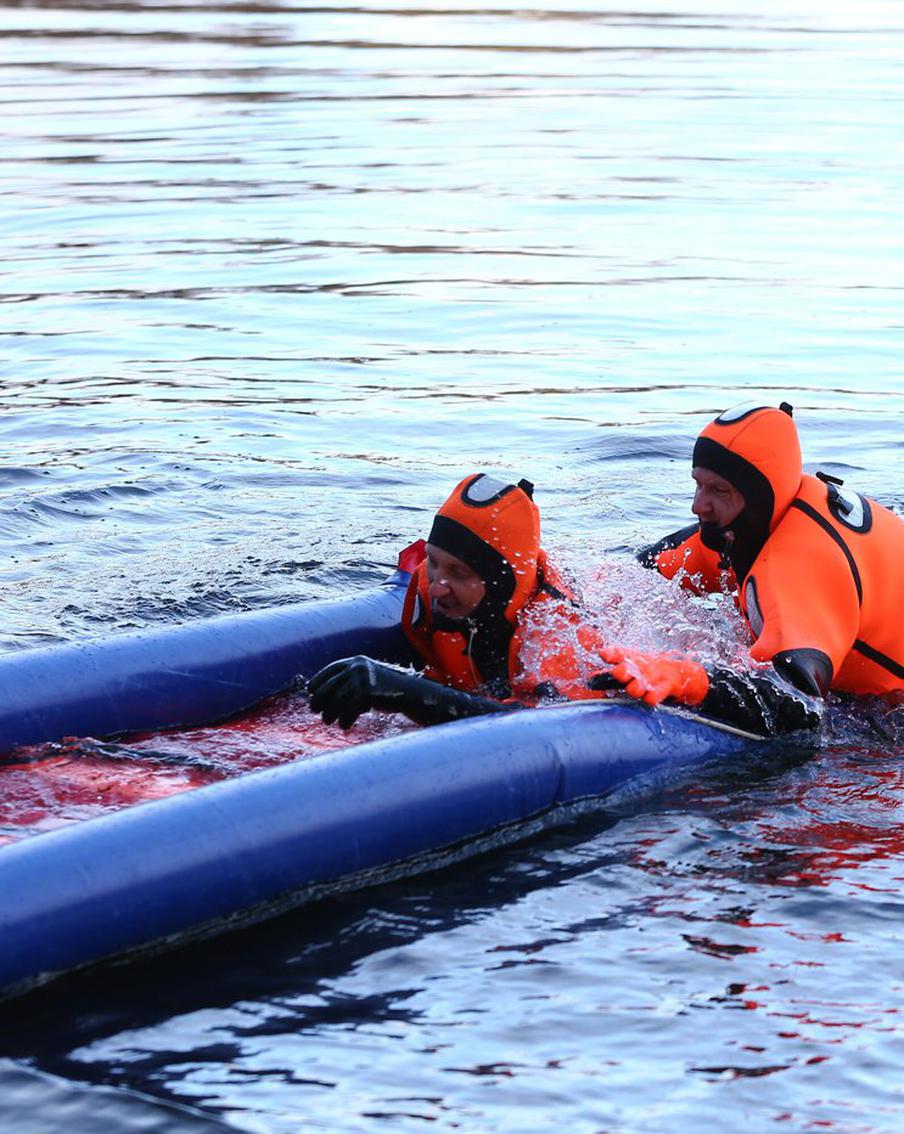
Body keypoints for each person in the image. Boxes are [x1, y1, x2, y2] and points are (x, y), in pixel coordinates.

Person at [600, 401, 904, 735]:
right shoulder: (749, 527)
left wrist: (692, 678)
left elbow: (799, 703)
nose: (697, 505)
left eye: (719, 490)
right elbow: (640, 572)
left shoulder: (795, 570)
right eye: (698, 484)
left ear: (760, 498)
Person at [307, 473, 609, 729]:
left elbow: (541, 727)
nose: (437, 587)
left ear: (499, 584)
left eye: (458, 572)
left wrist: (402, 692)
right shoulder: (427, 585)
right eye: (434, 561)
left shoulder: (558, 632)